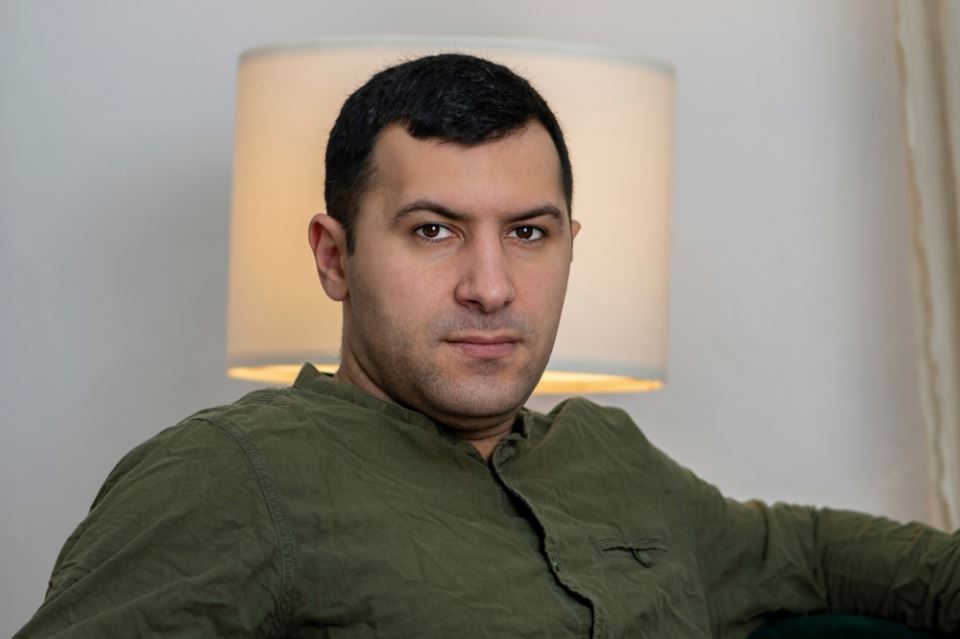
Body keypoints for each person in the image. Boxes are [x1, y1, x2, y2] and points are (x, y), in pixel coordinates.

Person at [15, 53, 960, 639]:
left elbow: (811, 552)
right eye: (433, 230)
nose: (492, 286)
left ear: (570, 247)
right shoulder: (231, 473)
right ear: (335, 257)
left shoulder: (609, 455)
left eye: (529, 232)